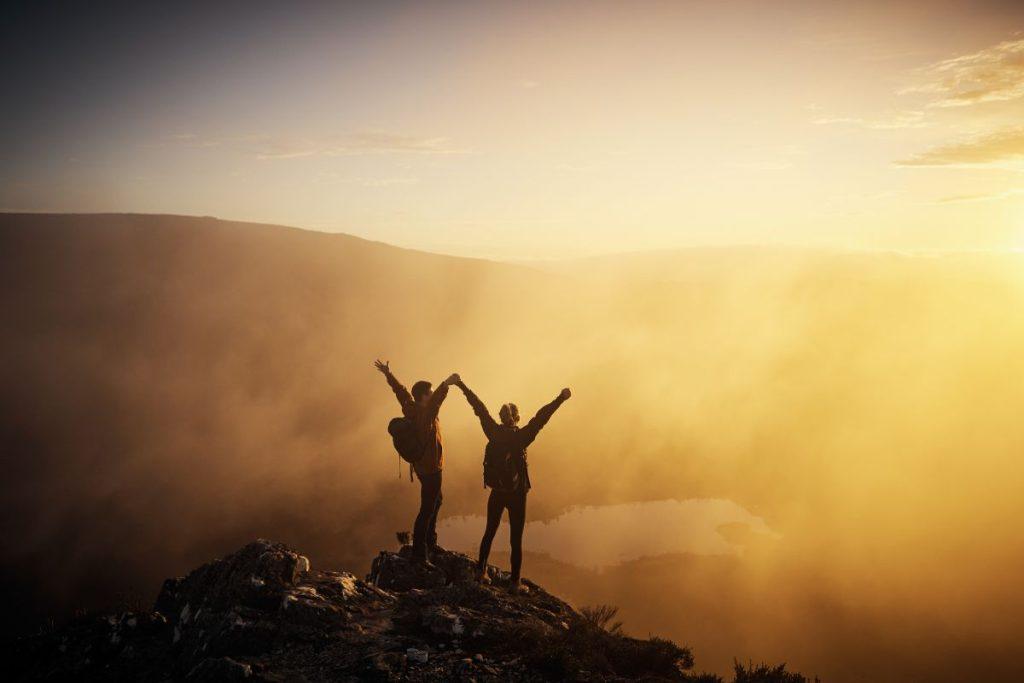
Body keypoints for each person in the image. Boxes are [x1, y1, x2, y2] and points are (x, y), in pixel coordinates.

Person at [454, 378, 571, 593]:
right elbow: (541, 417)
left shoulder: (492, 432)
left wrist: (461, 386)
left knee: (489, 531)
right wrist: (561, 399)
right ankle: (515, 583)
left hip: (497, 492)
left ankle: (480, 571)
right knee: (515, 539)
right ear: (516, 418)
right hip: (517, 494)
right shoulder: (522, 437)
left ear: (500, 418)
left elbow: (478, 408)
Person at [375, 359, 458, 566]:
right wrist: (446, 383)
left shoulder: (410, 407)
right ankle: (421, 554)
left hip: (422, 467)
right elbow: (437, 400)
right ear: (423, 397)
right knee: (427, 509)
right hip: (431, 469)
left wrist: (388, 373)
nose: (431, 395)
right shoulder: (425, 414)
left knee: (436, 501)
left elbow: (400, 392)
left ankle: (429, 544)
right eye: (428, 393)